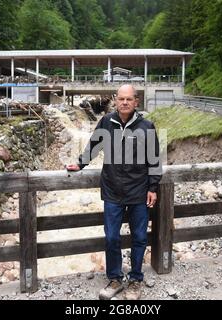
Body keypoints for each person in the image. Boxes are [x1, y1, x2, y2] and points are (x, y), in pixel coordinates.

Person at [66, 84, 162, 300]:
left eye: (129, 99)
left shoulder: (146, 126)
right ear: (116, 100)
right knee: (111, 238)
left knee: (138, 237)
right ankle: (115, 278)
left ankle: (136, 279)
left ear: (136, 101)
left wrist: (153, 187)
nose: (125, 102)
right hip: (112, 190)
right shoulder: (107, 122)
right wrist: (80, 164)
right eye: (121, 99)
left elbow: (154, 159)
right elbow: (94, 145)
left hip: (139, 191)